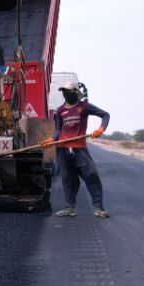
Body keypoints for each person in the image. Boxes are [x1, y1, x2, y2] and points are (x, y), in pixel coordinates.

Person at [44, 80, 111, 218]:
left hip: (79, 148)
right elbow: (58, 129)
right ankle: (70, 208)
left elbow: (105, 115)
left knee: (91, 175)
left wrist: (100, 129)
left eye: (68, 92)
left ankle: (99, 208)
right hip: (62, 148)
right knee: (68, 178)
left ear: (75, 93)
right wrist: (52, 139)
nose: (66, 94)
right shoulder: (60, 110)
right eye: (64, 92)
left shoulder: (84, 107)